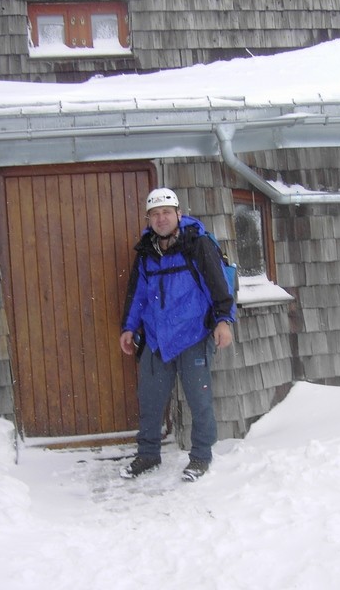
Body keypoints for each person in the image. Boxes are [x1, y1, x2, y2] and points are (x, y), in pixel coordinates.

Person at [119, 188, 236, 482]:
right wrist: (129, 327)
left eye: (166, 213)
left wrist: (224, 320)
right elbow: (138, 296)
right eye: (155, 214)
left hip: (193, 335)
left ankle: (200, 457)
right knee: (150, 400)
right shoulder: (146, 252)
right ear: (149, 220)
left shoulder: (197, 244)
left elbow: (219, 285)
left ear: (178, 214)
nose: (161, 219)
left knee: (199, 399)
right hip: (157, 339)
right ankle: (148, 454)